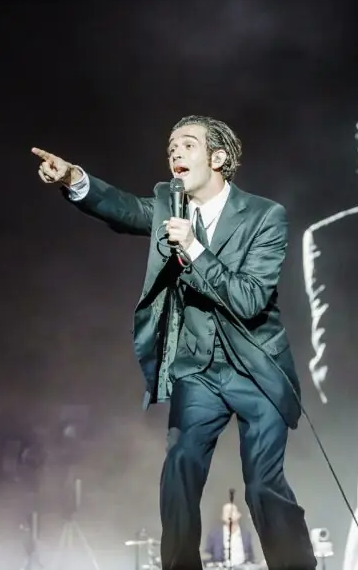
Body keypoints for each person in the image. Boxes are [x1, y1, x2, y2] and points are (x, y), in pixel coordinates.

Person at [32, 116, 316, 570]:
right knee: (180, 467)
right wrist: (73, 178)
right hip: (199, 369)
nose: (175, 153)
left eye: (187, 145)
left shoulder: (265, 216)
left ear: (218, 158)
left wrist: (195, 249)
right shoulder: (171, 205)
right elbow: (124, 209)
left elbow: (248, 299)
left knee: (263, 485)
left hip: (257, 368)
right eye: (171, 147)